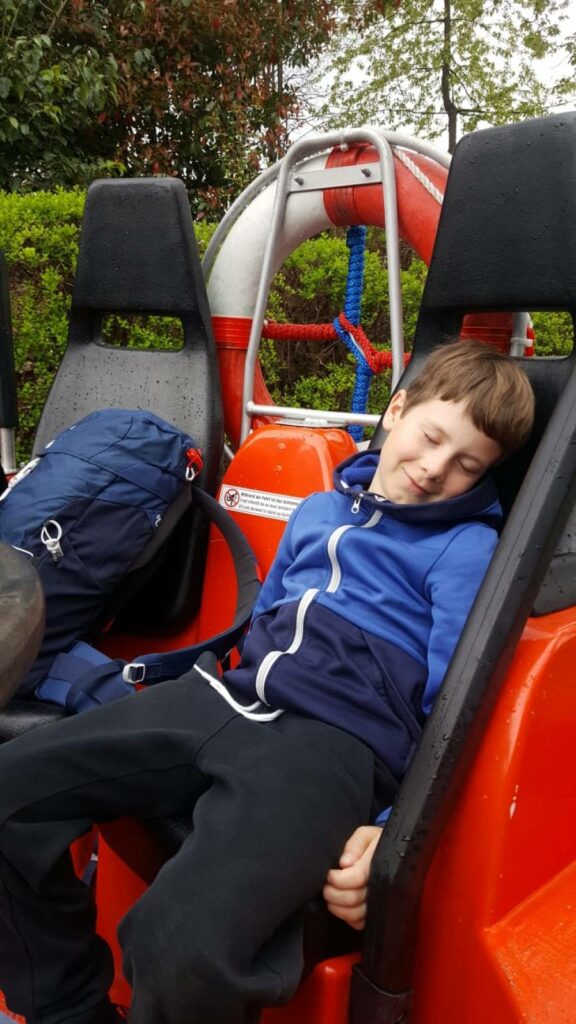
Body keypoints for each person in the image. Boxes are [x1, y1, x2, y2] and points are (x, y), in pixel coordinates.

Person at [0, 341, 534, 1024]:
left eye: (468, 466)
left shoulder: (466, 548)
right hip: (226, 699)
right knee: (9, 791)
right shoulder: (318, 510)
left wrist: (392, 830)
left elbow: (457, 704)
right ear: (398, 410)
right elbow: (266, 618)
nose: (435, 469)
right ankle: (71, 1012)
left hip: (331, 745)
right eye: (432, 438)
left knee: (183, 945)